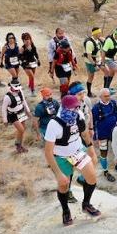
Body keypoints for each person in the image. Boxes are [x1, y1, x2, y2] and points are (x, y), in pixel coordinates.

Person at [44, 94, 101, 226]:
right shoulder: (54, 124)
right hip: (61, 157)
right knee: (64, 184)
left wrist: (91, 149)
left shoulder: (78, 114)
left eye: (76, 107)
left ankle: (86, 204)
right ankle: (65, 210)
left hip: (77, 151)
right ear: (64, 108)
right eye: (72, 108)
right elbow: (48, 152)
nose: (75, 111)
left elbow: (84, 133)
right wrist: (58, 174)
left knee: (92, 178)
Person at [92, 87, 117, 183]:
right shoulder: (96, 108)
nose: (108, 97)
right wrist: (95, 135)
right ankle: (106, 171)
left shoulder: (113, 103)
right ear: (100, 96)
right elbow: (93, 122)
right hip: (102, 134)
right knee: (103, 152)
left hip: (114, 132)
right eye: (105, 96)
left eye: (109, 95)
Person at [1, 79, 32, 153]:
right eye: (16, 89)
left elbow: (23, 101)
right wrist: (5, 120)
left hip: (21, 112)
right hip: (13, 115)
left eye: (18, 89)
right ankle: (18, 145)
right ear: (11, 87)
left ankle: (19, 144)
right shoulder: (7, 97)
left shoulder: (20, 92)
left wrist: (28, 111)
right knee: (21, 130)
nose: (17, 91)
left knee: (21, 130)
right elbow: (3, 109)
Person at [82, 27, 107, 97]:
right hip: (90, 61)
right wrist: (94, 65)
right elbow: (89, 56)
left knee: (107, 72)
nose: (100, 34)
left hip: (98, 59)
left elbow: (101, 50)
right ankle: (89, 93)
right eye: (99, 33)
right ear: (95, 33)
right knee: (91, 77)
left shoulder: (99, 40)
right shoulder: (89, 43)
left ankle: (105, 90)